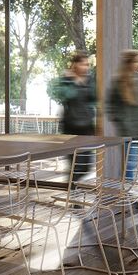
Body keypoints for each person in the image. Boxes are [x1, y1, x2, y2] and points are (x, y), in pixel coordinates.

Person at [106, 50, 138, 180]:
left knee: (131, 163)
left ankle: (126, 192)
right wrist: (119, 120)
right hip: (126, 130)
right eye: (137, 61)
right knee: (130, 163)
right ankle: (127, 194)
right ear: (129, 63)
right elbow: (110, 105)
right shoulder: (118, 81)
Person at [49, 51, 97, 181]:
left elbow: (94, 99)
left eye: (88, 64)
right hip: (70, 128)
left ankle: (72, 187)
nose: (86, 67)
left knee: (86, 166)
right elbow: (66, 95)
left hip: (87, 128)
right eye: (83, 64)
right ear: (75, 65)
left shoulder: (90, 80)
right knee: (74, 164)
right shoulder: (66, 79)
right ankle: (73, 194)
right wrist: (73, 81)